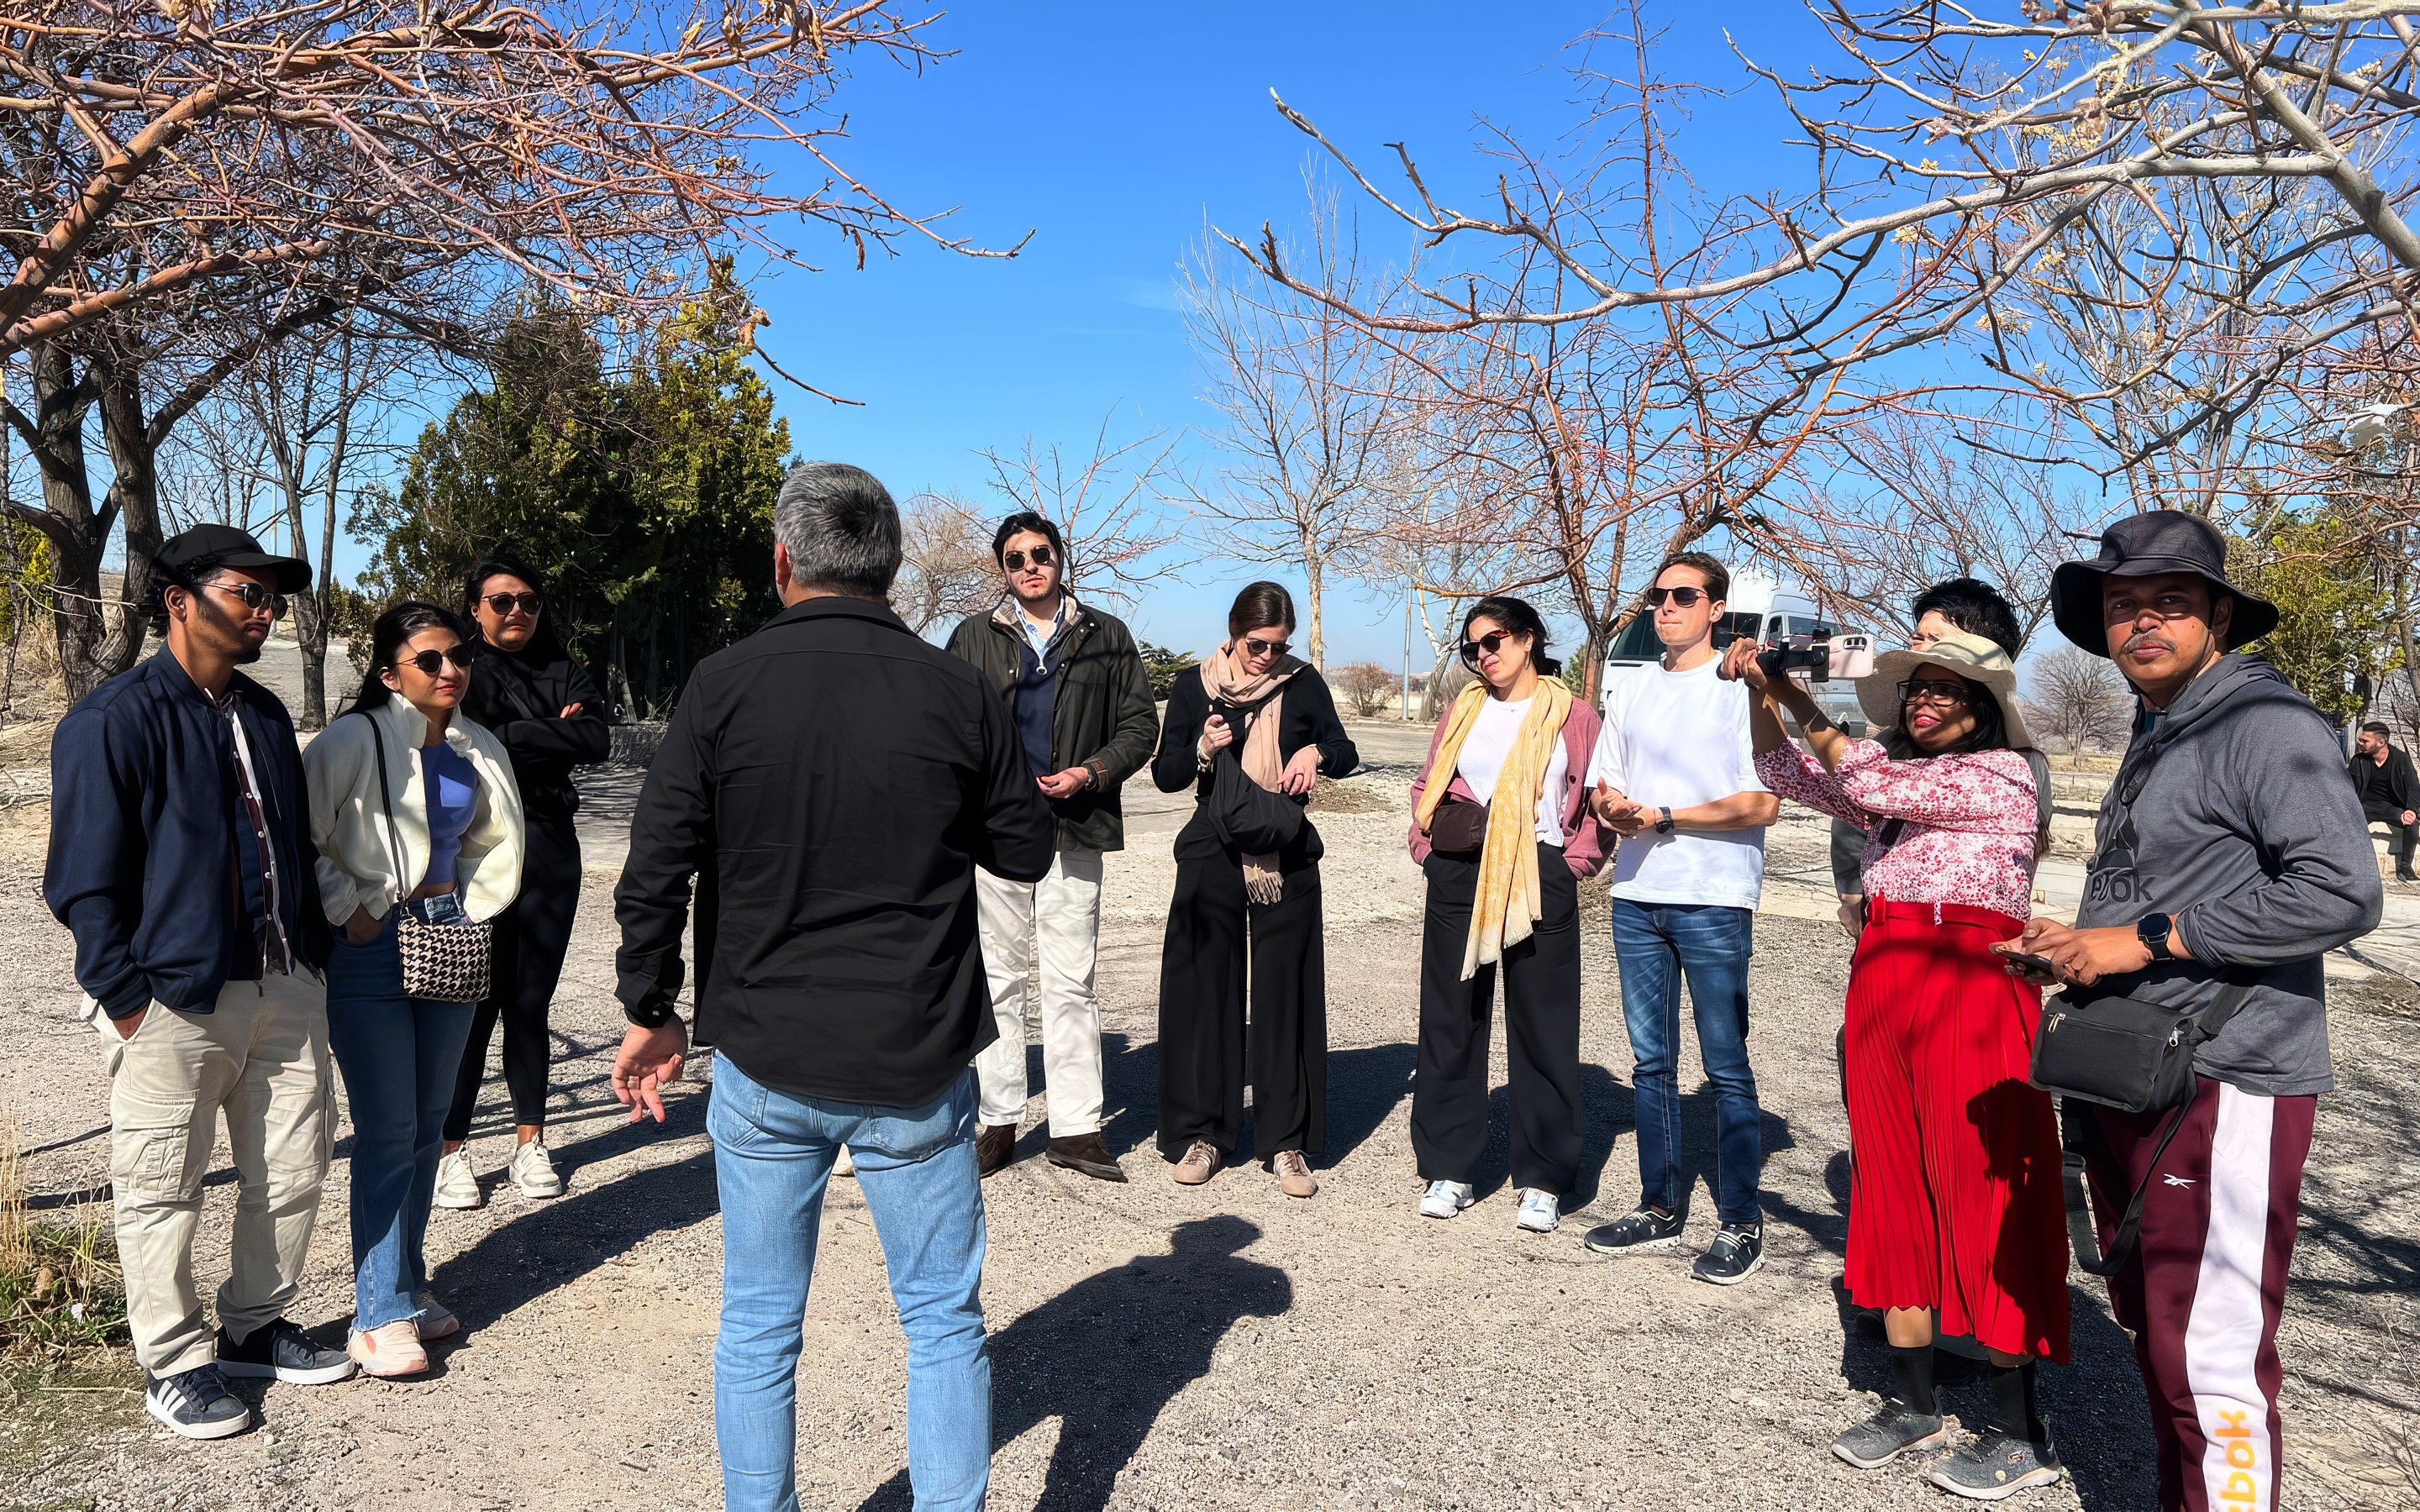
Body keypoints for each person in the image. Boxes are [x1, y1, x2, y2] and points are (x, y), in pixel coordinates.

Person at [610, 462, 1054, 1512]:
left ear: (782, 563)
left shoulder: (722, 684)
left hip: (768, 1051)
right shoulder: (960, 689)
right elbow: (1025, 850)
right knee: (942, 1320)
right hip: (916, 1051)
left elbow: (657, 859)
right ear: (893, 569)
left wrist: (649, 1007)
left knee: (760, 1323)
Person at [2007, 510, 2381, 1512]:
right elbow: (2175, 879)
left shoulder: (2268, 725)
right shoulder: (2164, 721)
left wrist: (2147, 939)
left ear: (2218, 615)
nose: (2142, 623)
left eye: (2171, 601)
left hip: (2231, 1075)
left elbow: (2344, 892)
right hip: (2143, 1061)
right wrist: (2083, 946)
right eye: (2124, 605)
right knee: (2159, 1325)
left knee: (2209, 1353)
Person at [1735, 629, 2070, 1498]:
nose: (1926, 701)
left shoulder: (2003, 773)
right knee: (1891, 1183)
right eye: (1916, 689)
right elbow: (1781, 774)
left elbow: (1864, 776)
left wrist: (1799, 694)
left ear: (1985, 706)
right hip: (1884, 985)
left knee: (1983, 1190)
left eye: (1946, 691)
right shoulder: (1894, 787)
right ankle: (1915, 1400)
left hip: (1973, 988)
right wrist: (1757, 690)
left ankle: (2016, 1426)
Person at [45, 525, 352, 1438]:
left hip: (283, 985)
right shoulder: (112, 720)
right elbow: (82, 883)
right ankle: (173, 1361)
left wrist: (311, 957)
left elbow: (289, 846)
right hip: (172, 999)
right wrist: (126, 998)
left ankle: (254, 1328)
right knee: (160, 1186)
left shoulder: (262, 714)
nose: (265, 610)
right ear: (180, 600)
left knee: (292, 1171)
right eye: (247, 592)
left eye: (273, 597)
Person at [305, 602, 524, 1378]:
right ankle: (378, 1316)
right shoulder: (351, 739)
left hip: (449, 933)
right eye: (428, 659)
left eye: (458, 656)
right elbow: (307, 834)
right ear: (388, 669)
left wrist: (472, 901)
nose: (448, 670)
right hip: (370, 946)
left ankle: (403, 1280)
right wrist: (352, 909)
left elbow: (496, 840)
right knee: (389, 1128)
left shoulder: (478, 746)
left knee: (431, 1125)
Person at [1578, 552, 1779, 1284]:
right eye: (1657, 596)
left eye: (1683, 596)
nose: (1666, 607)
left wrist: (1665, 817)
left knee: (1725, 1066)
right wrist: (1613, 808)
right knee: (1651, 1063)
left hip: (1715, 896)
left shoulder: (1743, 690)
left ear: (1716, 608)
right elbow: (1607, 783)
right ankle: (1659, 1205)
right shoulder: (1630, 688)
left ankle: (1740, 1221)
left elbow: (1765, 804)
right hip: (1637, 896)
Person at [944, 512, 1158, 1182]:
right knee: (999, 980)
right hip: (997, 835)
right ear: (1003, 571)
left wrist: (1091, 773)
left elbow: (1138, 723)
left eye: (1041, 553)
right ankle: (998, 1120)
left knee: (1072, 983)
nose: (1030, 566)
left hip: (1077, 827)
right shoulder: (974, 637)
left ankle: (1075, 1129)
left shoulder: (1108, 636)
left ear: (1061, 558)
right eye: (1015, 559)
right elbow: (948, 728)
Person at [1151, 582, 1359, 1198]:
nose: (1268, 656)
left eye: (1278, 645)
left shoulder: (1303, 681)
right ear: (1234, 631)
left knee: (1284, 994)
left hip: (1284, 850)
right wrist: (1201, 748)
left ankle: (1286, 1142)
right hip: (1211, 850)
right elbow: (1164, 777)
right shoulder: (1196, 684)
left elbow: (1347, 750)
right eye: (1257, 644)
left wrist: (1316, 752)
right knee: (1204, 993)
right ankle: (1204, 1133)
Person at [1405, 597, 1604, 1233]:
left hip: (1539, 873)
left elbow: (1596, 798)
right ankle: (1449, 1167)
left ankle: (1542, 1177)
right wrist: (1427, 852)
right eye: (1472, 648)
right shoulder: (1463, 710)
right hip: (1461, 873)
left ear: (1527, 640)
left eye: (1493, 642)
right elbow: (1427, 785)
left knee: (1543, 1027)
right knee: (1450, 1021)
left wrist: (1573, 864)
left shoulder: (1572, 715)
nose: (1482, 656)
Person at [435, 556, 610, 1207]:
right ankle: (451, 1152)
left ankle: (529, 1145)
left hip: (549, 852)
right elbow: (455, 739)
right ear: (475, 607)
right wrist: (551, 732)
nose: (517, 613)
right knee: (472, 1010)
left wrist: (508, 735)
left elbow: (595, 739)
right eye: (501, 601)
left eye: (530, 601)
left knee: (529, 1006)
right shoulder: (458, 668)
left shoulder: (566, 668)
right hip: (473, 853)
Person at [1830, 577, 2033, 937]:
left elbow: (1866, 783)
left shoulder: (2013, 768)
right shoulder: (1895, 741)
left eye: (1935, 639)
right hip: (1883, 937)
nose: (1917, 644)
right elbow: (1847, 813)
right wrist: (1853, 890)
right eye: (1917, 636)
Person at [2348, 721, 2418, 883]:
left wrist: (2411, 810)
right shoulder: (2358, 760)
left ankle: (2405, 867)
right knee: (2343, 823)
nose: (2360, 742)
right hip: (2363, 807)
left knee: (2413, 824)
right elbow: (2346, 787)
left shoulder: (2401, 759)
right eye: (2361, 739)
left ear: (2381, 742)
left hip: (2390, 808)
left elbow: (2413, 786)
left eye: (2365, 740)